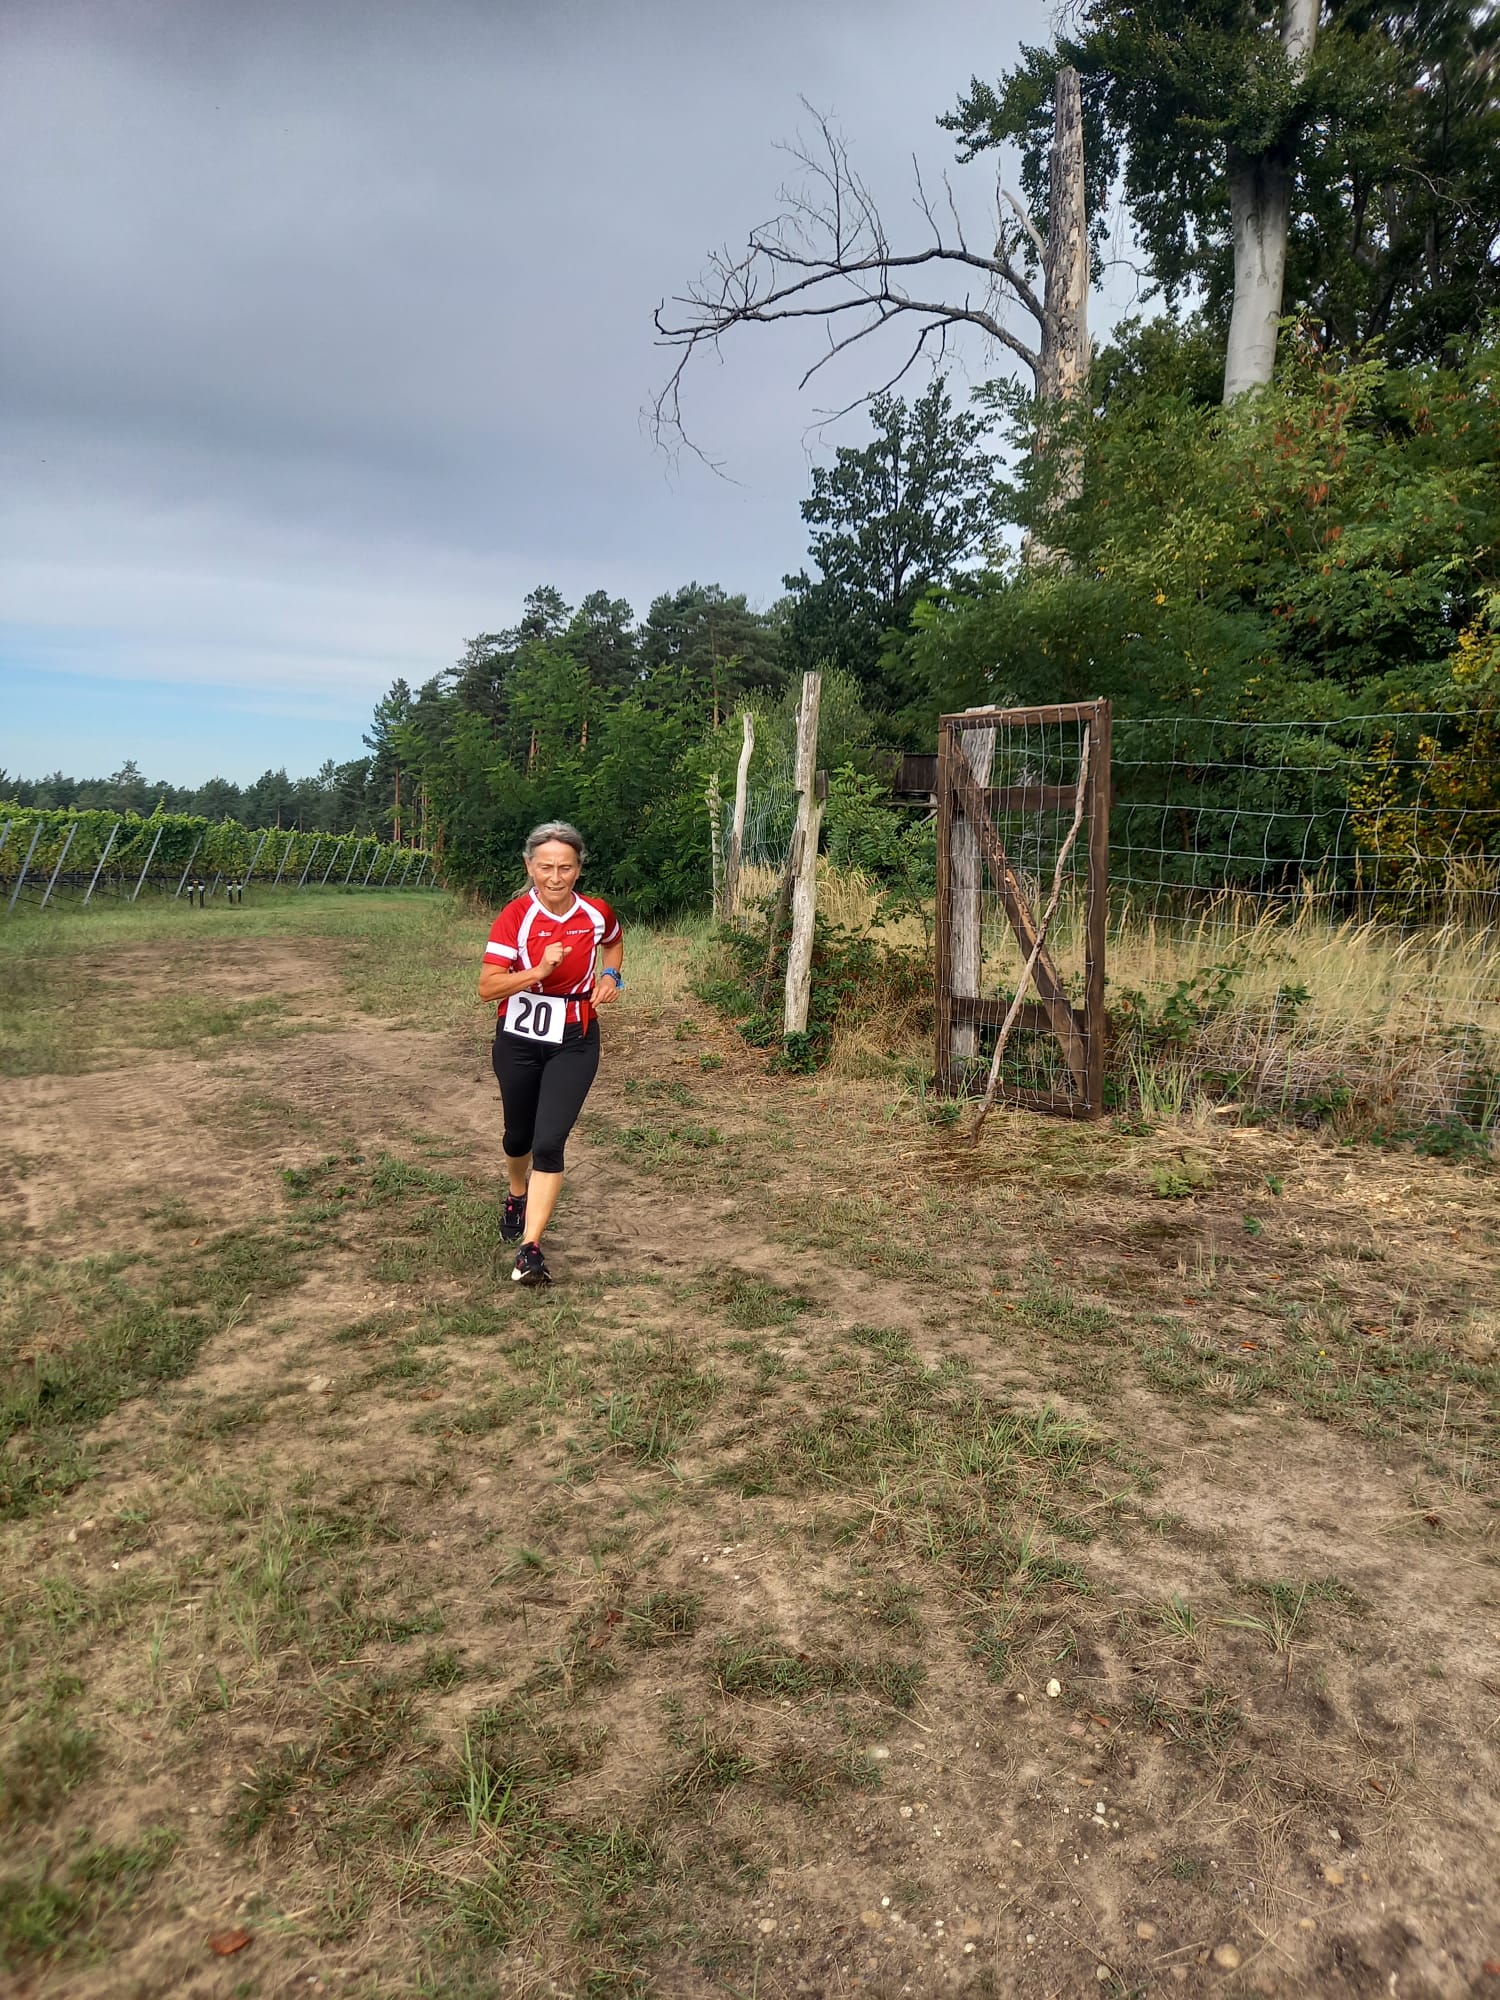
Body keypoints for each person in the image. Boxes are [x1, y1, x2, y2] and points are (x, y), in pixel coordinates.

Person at [478, 822, 623, 1286]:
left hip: (576, 1039)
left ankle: (530, 1249)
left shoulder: (596, 912)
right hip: (519, 1039)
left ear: (578, 869)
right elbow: (487, 987)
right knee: (518, 1136)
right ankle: (516, 1192)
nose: (555, 877)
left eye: (565, 867)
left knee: (548, 1142)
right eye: (546, 867)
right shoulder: (515, 916)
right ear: (530, 867)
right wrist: (538, 971)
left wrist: (611, 977)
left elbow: (613, 943)